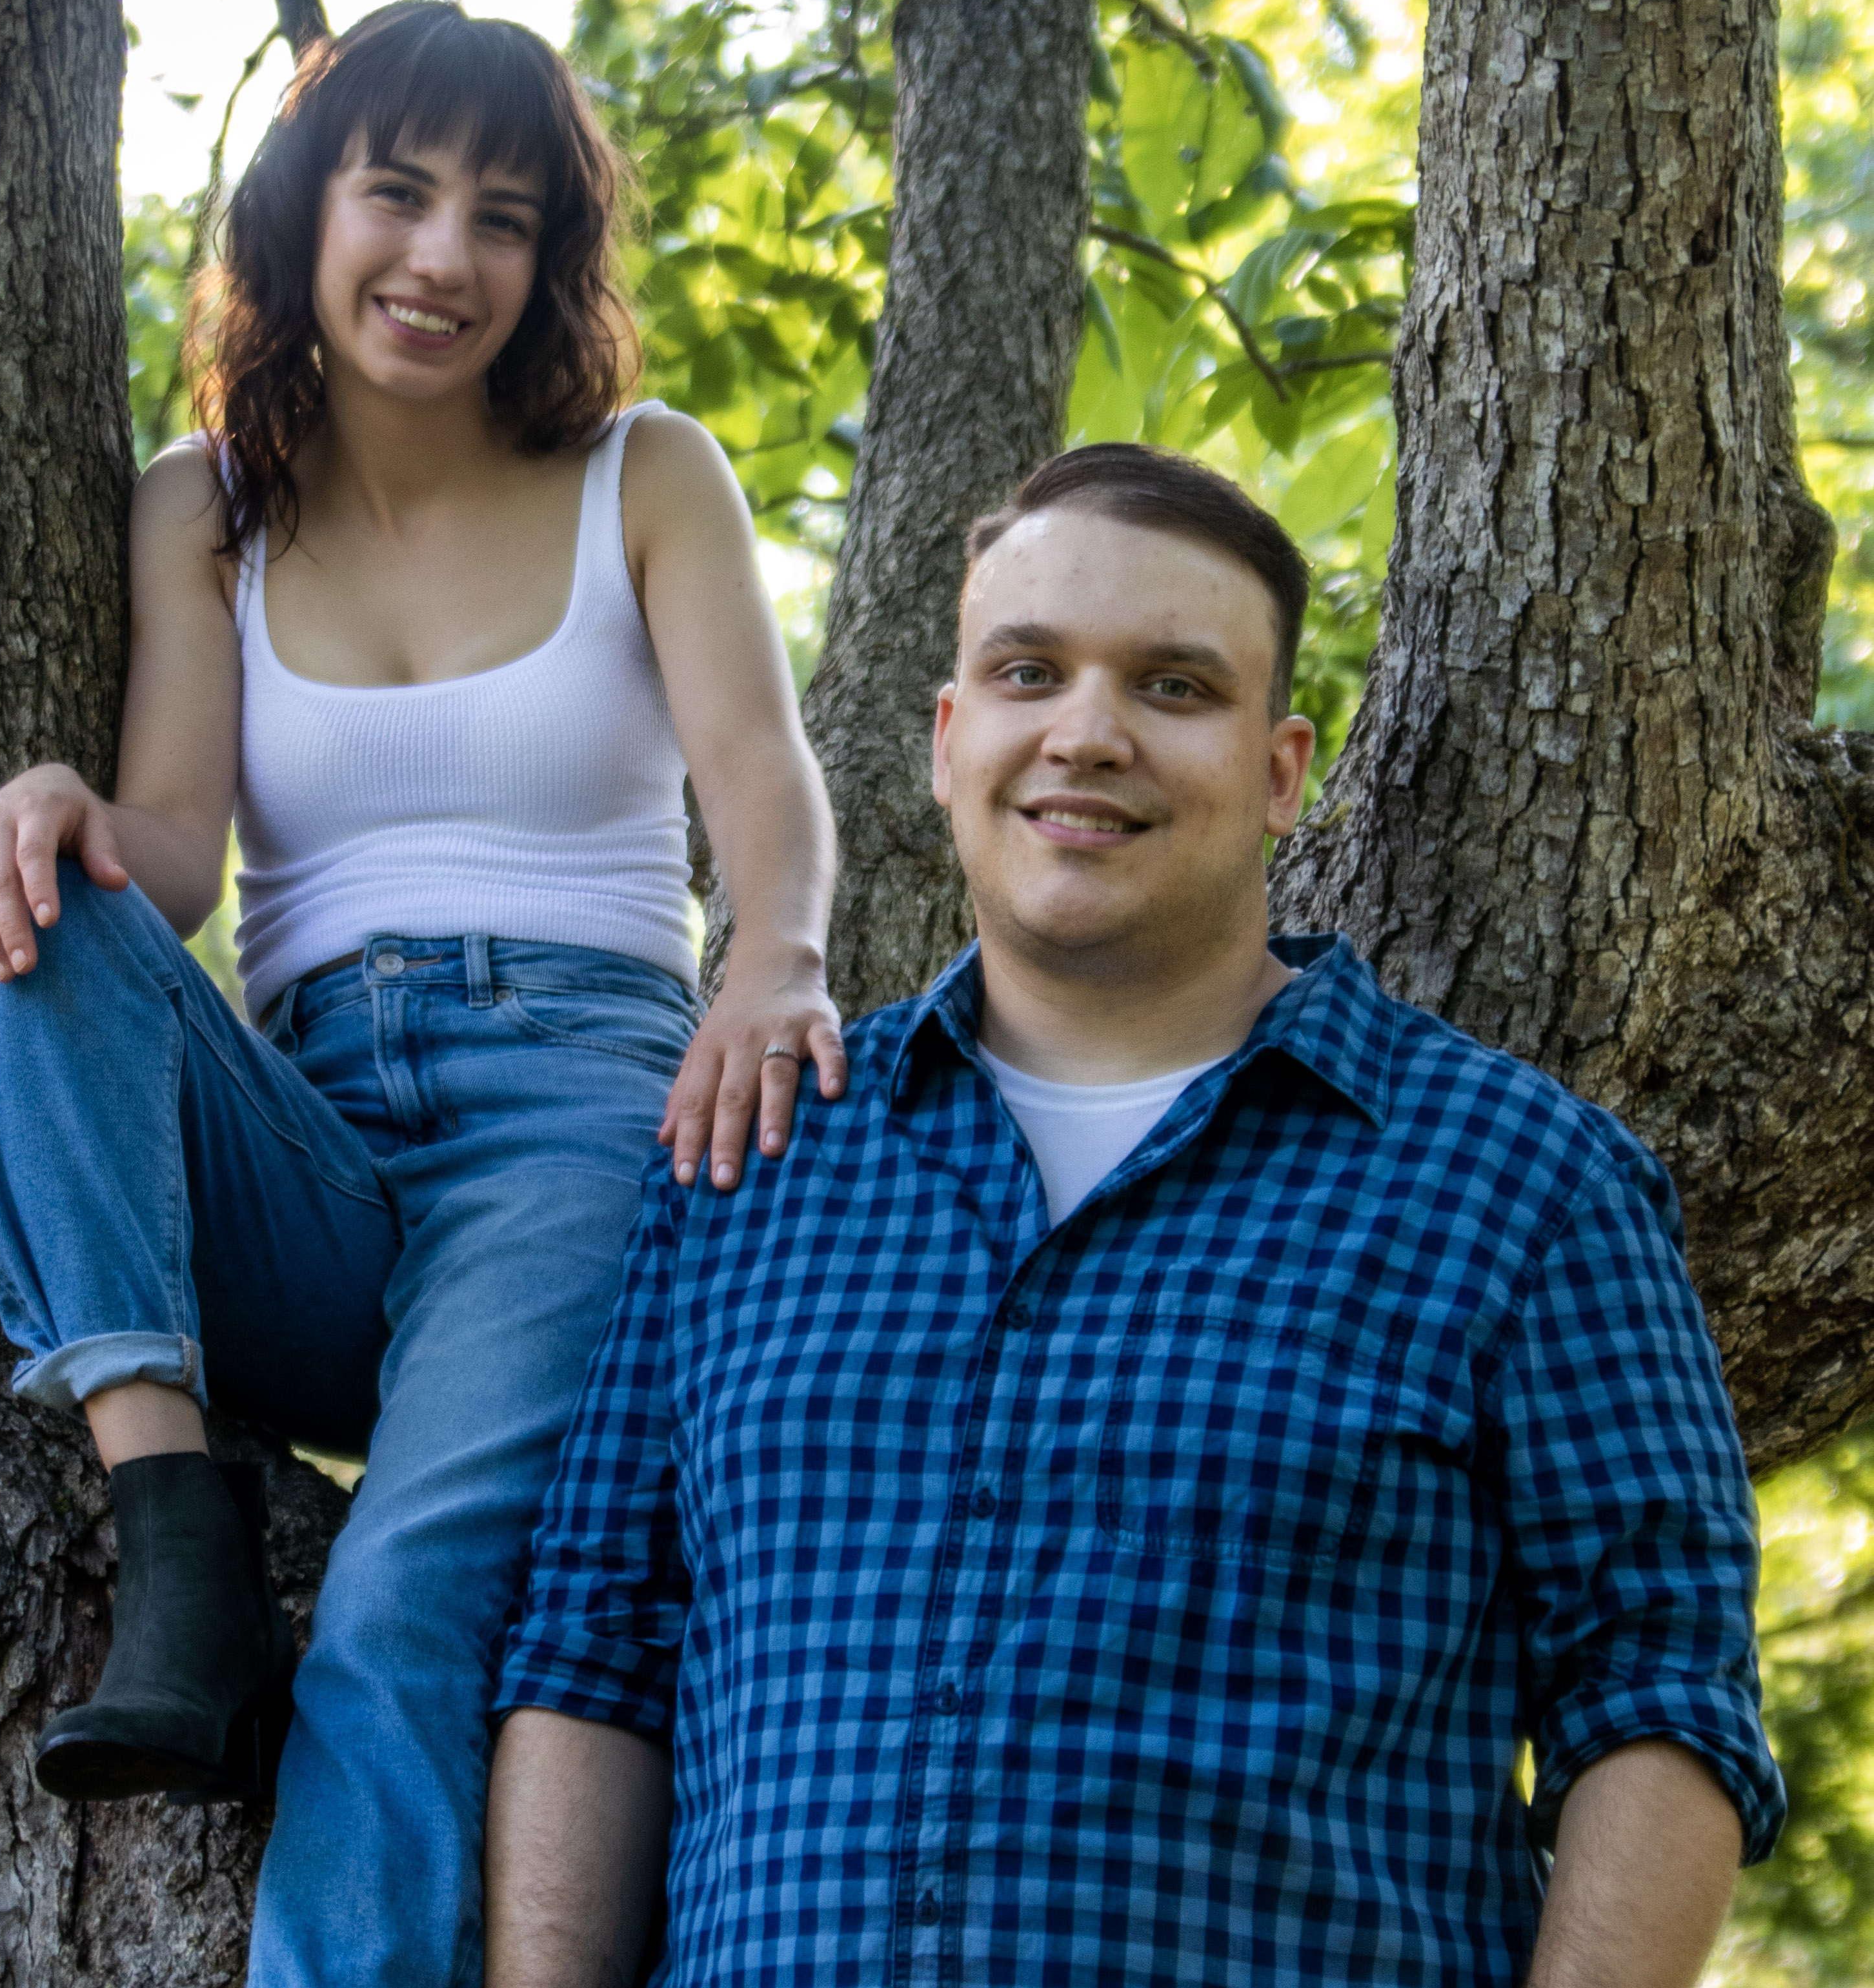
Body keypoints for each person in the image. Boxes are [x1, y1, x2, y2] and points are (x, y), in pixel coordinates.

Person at [485, 442, 1786, 1987]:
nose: (1087, 734)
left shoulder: (1524, 1185)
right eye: (1029, 673)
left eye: (1173, 686)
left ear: (1283, 771)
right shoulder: (751, 1157)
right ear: (951, 738)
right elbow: (595, 1651)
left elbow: (1658, 1693)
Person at [0, 1, 841, 1988]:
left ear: (549, 263)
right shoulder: (205, 503)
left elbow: (765, 787)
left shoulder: (644, 476)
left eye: (503, 219)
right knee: (26, 909)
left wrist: (774, 957)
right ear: (305, 210)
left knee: (402, 1607)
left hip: (572, 1126)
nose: (444, 257)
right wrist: (58, 807)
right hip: (315, 1138)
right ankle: (174, 1535)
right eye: (400, 193)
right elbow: (175, 853)